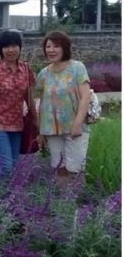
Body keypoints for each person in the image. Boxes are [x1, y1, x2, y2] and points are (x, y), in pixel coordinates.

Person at [0, 29, 38, 178]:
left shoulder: (25, 70)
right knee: (6, 166)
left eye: (14, 46)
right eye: (6, 47)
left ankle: (9, 197)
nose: (11, 50)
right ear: (1, 49)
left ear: (19, 47)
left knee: (14, 165)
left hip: (18, 124)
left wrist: (36, 121)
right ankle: (0, 198)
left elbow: (29, 97)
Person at [36, 31, 91, 186]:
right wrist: (40, 131)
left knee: (75, 169)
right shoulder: (43, 74)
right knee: (59, 167)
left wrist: (78, 124)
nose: (51, 50)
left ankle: (77, 205)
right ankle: (62, 204)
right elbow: (40, 103)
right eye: (48, 46)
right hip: (52, 129)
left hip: (75, 127)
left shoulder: (77, 68)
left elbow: (85, 97)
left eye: (56, 46)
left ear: (64, 48)